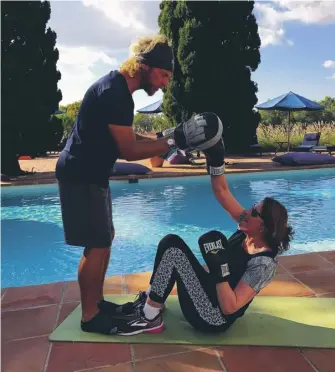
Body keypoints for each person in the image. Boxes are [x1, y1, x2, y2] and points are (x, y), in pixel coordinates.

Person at [55, 34, 224, 335]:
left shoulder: (119, 90)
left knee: (103, 240)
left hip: (91, 173)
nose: (164, 83)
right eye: (163, 75)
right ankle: (90, 316)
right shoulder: (115, 93)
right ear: (144, 66)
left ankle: (97, 303)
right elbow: (129, 151)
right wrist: (174, 140)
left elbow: (132, 140)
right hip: (79, 174)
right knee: (95, 245)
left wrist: (169, 139)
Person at [102, 140, 294, 335]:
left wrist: (220, 272)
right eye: (252, 206)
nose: (246, 211)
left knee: (174, 252)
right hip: (206, 293)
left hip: (213, 317)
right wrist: (216, 158)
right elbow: (222, 192)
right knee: (171, 242)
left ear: (263, 227)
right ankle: (152, 302)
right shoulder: (246, 230)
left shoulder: (263, 264)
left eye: (254, 211)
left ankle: (148, 318)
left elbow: (230, 307)